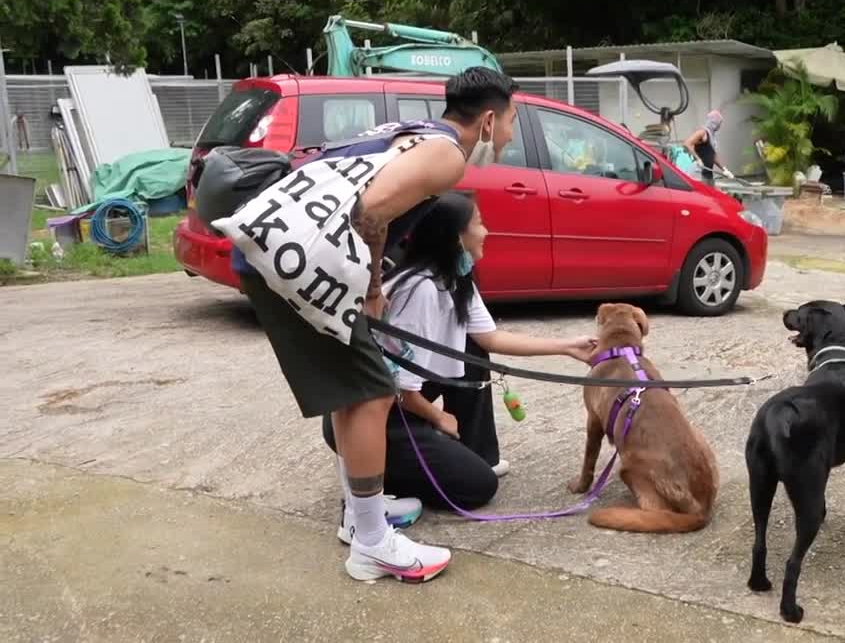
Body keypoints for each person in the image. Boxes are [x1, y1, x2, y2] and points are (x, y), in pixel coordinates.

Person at [237, 67, 520, 584]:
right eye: (510, 122)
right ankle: (372, 543)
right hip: (303, 259)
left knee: (355, 393)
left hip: (272, 250)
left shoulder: (413, 130)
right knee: (370, 393)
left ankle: (361, 520)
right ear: (486, 120)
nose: (508, 136)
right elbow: (371, 212)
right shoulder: (446, 155)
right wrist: (370, 288)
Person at [321, 192, 596, 520]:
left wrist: (567, 347)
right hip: (377, 415)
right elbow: (398, 388)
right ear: (455, 237)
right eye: (479, 223)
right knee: (477, 489)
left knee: (473, 350)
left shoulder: (455, 276)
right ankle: (367, 474)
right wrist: (438, 417)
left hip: (404, 398)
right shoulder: (418, 291)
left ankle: (473, 453)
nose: (486, 231)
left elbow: (490, 338)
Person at [683, 110, 733, 185]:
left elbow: (713, 155)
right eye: (719, 123)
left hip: (708, 174)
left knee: (711, 195)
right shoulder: (702, 132)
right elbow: (687, 143)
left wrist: (724, 169)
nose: (720, 125)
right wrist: (698, 159)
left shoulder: (712, 136)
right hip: (698, 172)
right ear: (714, 123)